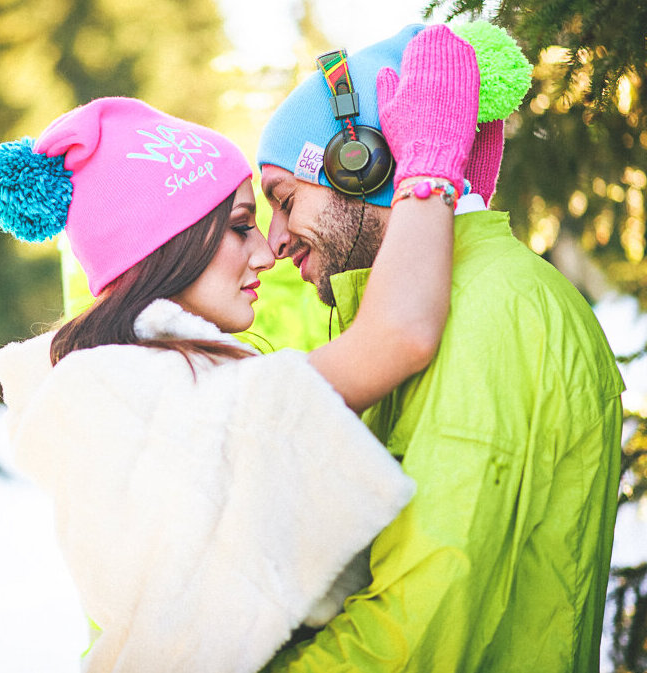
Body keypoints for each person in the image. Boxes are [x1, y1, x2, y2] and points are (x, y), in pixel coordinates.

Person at [0, 30, 472, 670]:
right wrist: (428, 170)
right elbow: (398, 336)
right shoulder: (131, 392)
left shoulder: (125, 381)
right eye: (240, 227)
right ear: (168, 247)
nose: (267, 251)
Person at [256, 23, 626, 673]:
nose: (274, 241)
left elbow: (415, 632)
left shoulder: (493, 309)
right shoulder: (428, 309)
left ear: (360, 160)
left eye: (285, 201)